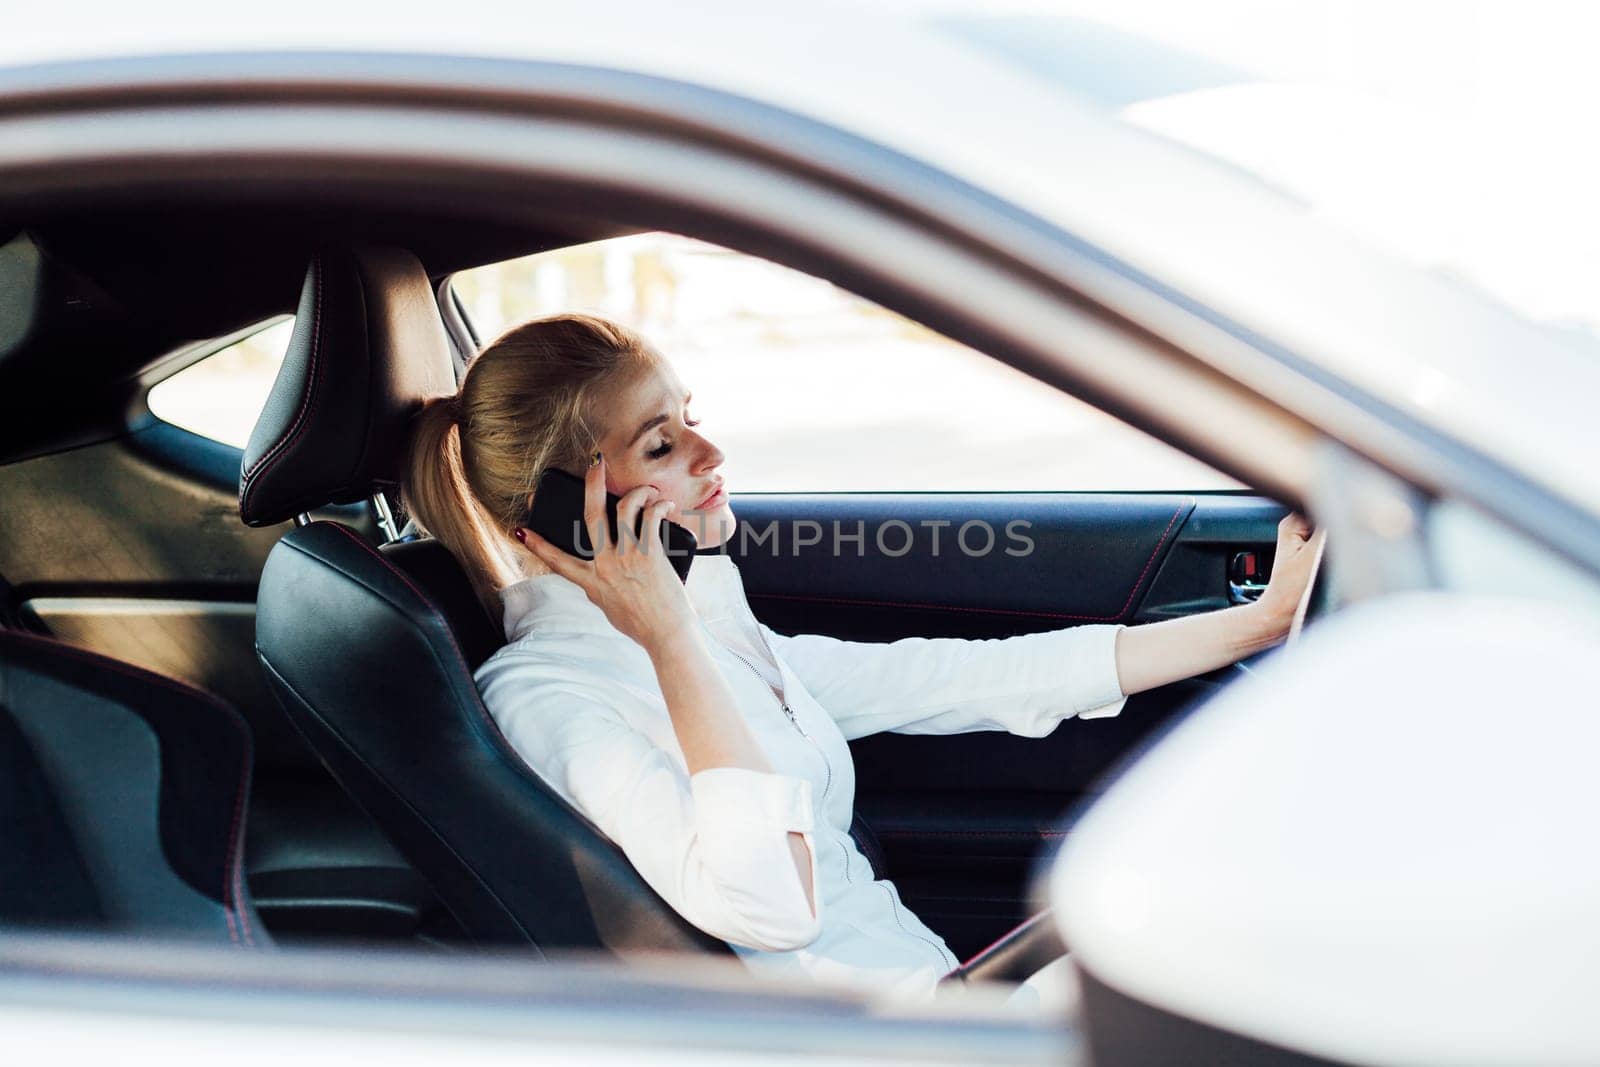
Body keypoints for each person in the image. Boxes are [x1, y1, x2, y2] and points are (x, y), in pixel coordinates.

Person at [401, 313, 1318, 1007]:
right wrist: (667, 636)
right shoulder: (549, 694)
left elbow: (954, 677)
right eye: (661, 443)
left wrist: (1258, 623)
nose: (711, 453)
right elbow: (770, 908)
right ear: (564, 513)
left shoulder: (710, 624)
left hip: (938, 997)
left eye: (690, 418)